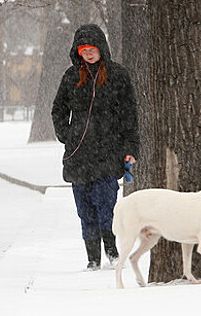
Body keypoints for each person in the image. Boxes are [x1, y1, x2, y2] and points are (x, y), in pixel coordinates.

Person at [51, 24, 140, 270]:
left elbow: (129, 115)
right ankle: (92, 259)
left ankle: (112, 253)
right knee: (85, 210)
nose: (88, 53)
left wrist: (130, 147)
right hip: (79, 155)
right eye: (83, 49)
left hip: (108, 154)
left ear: (102, 48)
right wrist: (67, 135)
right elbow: (58, 110)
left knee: (106, 207)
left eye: (92, 49)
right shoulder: (71, 77)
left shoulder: (118, 75)